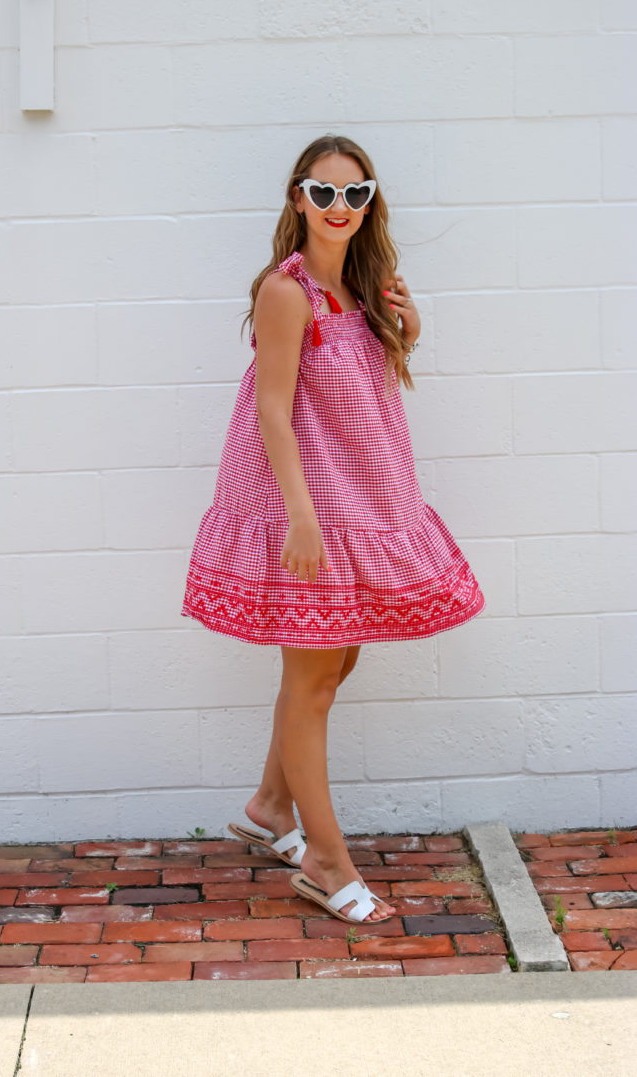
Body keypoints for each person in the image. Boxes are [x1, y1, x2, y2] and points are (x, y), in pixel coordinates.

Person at [180, 135, 485, 924]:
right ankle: (324, 859)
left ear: (371, 201)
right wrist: (301, 516)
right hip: (312, 504)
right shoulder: (287, 295)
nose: (339, 208)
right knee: (311, 679)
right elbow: (274, 411)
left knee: (333, 666)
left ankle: (270, 807)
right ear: (297, 200)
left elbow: (364, 381)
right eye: (323, 193)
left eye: (355, 193)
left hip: (368, 496)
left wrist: (408, 327)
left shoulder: (364, 284)